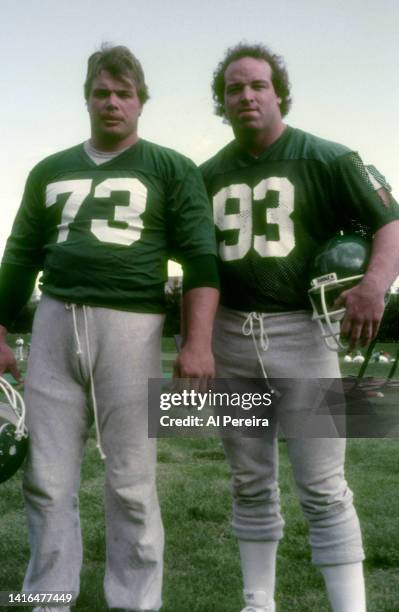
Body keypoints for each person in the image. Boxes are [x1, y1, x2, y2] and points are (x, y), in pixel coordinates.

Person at [0, 44, 219, 612]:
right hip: (55, 319)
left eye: (124, 93)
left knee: (131, 480)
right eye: (102, 92)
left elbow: (199, 257)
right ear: (87, 99)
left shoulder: (171, 167)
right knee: (46, 476)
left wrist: (197, 341)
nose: (112, 103)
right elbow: (20, 257)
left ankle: (136, 602)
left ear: (142, 101)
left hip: (132, 325)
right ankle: (48, 596)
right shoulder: (50, 169)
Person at [201, 42, 399, 612]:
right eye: (234, 88)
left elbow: (391, 223)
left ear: (278, 92)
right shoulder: (207, 173)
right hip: (232, 337)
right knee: (248, 481)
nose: (246, 96)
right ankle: (258, 603)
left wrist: (373, 285)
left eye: (257, 85)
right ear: (223, 101)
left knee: (322, 486)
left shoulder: (328, 157)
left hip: (304, 335)